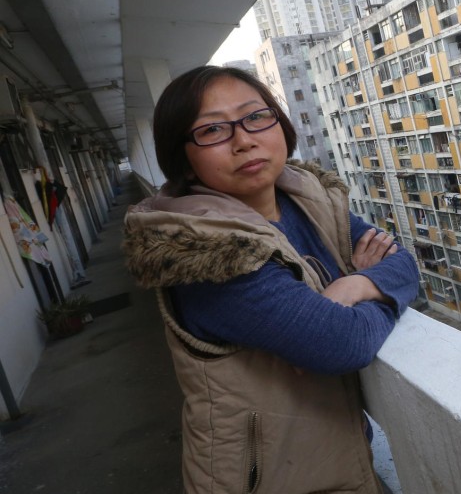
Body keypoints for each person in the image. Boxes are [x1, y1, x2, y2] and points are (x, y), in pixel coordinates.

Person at [122, 66, 419, 493]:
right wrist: (355, 292)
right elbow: (339, 343)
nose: (244, 140)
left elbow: (403, 263)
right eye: (212, 131)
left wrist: (351, 287)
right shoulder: (204, 251)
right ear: (182, 159)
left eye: (255, 117)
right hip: (268, 478)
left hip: (339, 455)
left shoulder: (306, 198)